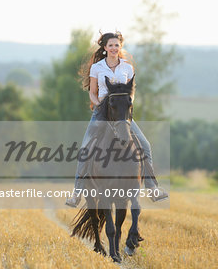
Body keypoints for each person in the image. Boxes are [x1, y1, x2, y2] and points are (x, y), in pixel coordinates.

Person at [65, 31, 168, 208]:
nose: (114, 48)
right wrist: (99, 105)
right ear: (104, 48)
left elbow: (131, 92)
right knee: (85, 149)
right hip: (102, 113)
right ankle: (77, 193)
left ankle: (152, 188)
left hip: (121, 114)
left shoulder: (127, 68)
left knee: (145, 145)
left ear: (120, 47)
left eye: (116, 45)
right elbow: (92, 92)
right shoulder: (97, 68)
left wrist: (127, 105)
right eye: (110, 45)